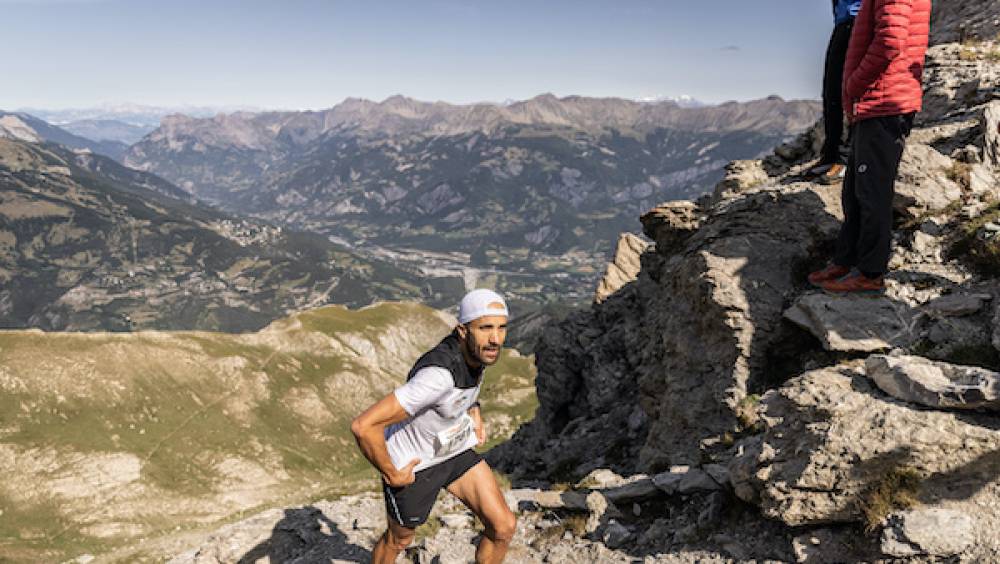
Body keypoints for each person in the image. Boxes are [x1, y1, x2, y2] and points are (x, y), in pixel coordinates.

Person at [351, 289, 516, 564]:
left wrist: (473, 409)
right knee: (399, 540)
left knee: (503, 527)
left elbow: (463, 387)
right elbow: (363, 425)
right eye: (486, 328)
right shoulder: (437, 377)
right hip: (415, 464)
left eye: (501, 328)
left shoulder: (478, 352)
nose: (495, 339)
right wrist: (391, 473)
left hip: (453, 449)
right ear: (462, 331)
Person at [809, 0, 932, 293]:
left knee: (872, 192)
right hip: (879, 100)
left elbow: (890, 41)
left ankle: (870, 272)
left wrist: (854, 84)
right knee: (854, 188)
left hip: (885, 101)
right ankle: (847, 258)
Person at [808, 0, 863, 184]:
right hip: (842, 23)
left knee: (854, 91)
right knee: (831, 91)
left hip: (861, 21)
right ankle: (831, 154)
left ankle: (847, 158)